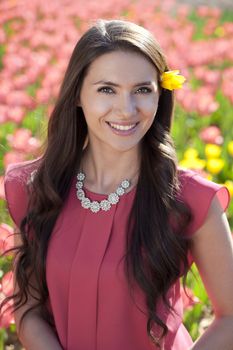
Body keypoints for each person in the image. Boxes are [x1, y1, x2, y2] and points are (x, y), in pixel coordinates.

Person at [2, 19, 233, 350]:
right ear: (78, 94)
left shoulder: (191, 199)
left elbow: (230, 316)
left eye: (142, 90)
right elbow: (28, 306)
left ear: (160, 95)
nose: (126, 110)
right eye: (106, 89)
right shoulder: (36, 188)